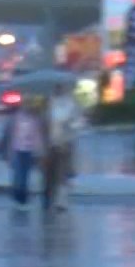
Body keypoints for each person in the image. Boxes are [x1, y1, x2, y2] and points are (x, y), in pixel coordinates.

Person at [0, 99, 48, 206]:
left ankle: (22, 197)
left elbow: (37, 136)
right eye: (26, 105)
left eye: (29, 105)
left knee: (25, 174)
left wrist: (40, 150)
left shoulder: (35, 120)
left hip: (28, 150)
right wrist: (8, 151)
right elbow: (9, 135)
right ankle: (17, 193)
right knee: (18, 173)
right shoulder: (15, 118)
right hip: (16, 149)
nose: (27, 107)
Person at [41, 83, 82, 211]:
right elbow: (44, 123)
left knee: (62, 173)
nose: (58, 89)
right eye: (57, 87)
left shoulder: (70, 104)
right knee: (49, 174)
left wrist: (69, 125)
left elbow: (77, 123)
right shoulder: (49, 103)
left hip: (65, 144)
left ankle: (61, 201)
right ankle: (49, 198)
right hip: (50, 144)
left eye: (60, 87)